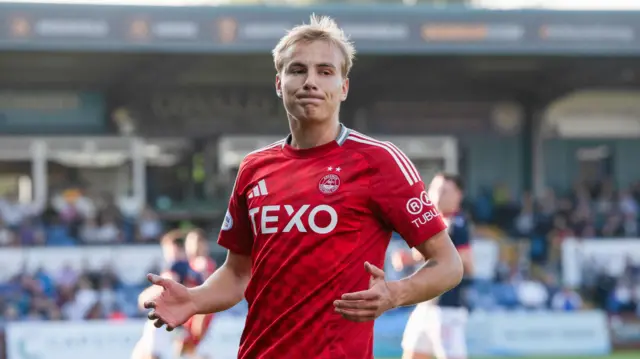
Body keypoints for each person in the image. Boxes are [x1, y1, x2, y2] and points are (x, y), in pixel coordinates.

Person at [143, 14, 463, 359]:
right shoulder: (254, 168)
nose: (310, 81)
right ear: (279, 83)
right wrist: (194, 299)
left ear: (343, 87)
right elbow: (237, 273)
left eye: (325, 71)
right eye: (298, 70)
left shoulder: (379, 161)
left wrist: (395, 294)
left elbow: (448, 264)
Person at [398, 173, 474, 359]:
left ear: (458, 195)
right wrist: (412, 258)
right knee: (413, 353)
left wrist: (425, 257)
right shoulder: (434, 223)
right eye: (435, 190)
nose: (438, 196)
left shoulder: (457, 224)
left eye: (444, 191)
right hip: (426, 305)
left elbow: (468, 263)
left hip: (446, 308)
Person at [132, 230, 203, 359]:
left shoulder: (175, 266)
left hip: (167, 319)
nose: (167, 255)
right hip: (185, 322)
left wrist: (144, 297)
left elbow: (165, 286)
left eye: (168, 250)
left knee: (146, 354)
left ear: (176, 249)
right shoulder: (193, 270)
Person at [180, 229, 218, 359]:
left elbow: (207, 290)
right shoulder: (186, 263)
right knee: (185, 348)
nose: (192, 246)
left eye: (196, 242)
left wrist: (201, 316)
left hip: (199, 310)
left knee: (195, 346)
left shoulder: (204, 263)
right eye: (190, 242)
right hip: (189, 310)